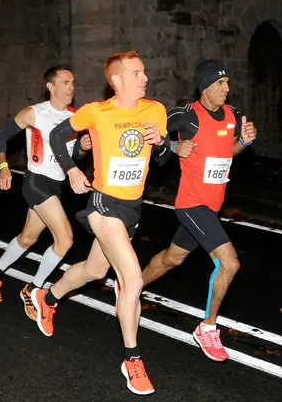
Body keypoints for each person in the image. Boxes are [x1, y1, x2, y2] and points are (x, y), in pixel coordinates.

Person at [30, 51, 170, 395]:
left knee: (95, 271)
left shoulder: (155, 110)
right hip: (103, 204)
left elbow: (164, 159)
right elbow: (56, 136)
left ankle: (47, 298)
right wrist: (72, 169)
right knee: (132, 279)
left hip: (133, 208)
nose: (145, 78)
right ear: (117, 80)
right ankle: (132, 360)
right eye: (137, 73)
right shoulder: (95, 112)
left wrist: (161, 143)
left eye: (144, 72)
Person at [140, 60, 257, 362]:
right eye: (220, 83)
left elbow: (228, 151)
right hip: (191, 203)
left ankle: (132, 285)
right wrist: (173, 147)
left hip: (212, 205)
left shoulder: (232, 115)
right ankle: (207, 328)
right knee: (229, 263)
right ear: (205, 86)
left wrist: (244, 142)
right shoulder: (186, 115)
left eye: (227, 83)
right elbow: (150, 138)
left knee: (172, 258)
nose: (227, 89)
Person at [0, 65, 91, 321]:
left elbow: (73, 157)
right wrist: (3, 168)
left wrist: (83, 148)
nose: (71, 87)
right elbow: (2, 136)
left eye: (73, 83)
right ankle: (34, 289)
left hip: (56, 185)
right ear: (50, 86)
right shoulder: (34, 113)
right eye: (65, 82)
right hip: (36, 182)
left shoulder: (75, 117)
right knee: (65, 239)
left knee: (28, 238)